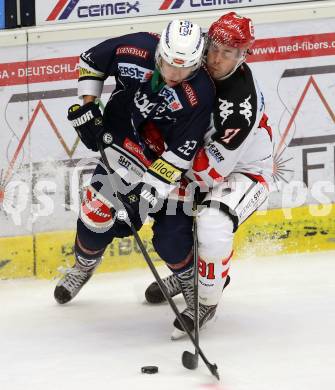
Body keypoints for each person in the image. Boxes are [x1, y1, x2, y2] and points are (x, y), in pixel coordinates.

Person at [54, 20, 216, 307]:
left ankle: (191, 283)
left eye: (186, 69)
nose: (175, 75)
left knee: (171, 240)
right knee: (94, 216)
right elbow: (91, 61)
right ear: (159, 52)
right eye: (169, 64)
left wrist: (148, 191)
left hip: (172, 170)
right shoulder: (137, 47)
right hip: (122, 149)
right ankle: (83, 266)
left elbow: (182, 151)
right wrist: (89, 105)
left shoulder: (200, 91)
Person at [145, 12, 274, 339]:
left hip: (244, 173)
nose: (215, 59)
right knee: (168, 224)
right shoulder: (194, 54)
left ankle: (207, 301)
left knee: (212, 223)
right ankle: (193, 276)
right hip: (193, 161)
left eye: (228, 53)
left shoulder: (239, 105)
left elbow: (209, 172)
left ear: (243, 55)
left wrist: (166, 172)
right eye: (214, 48)